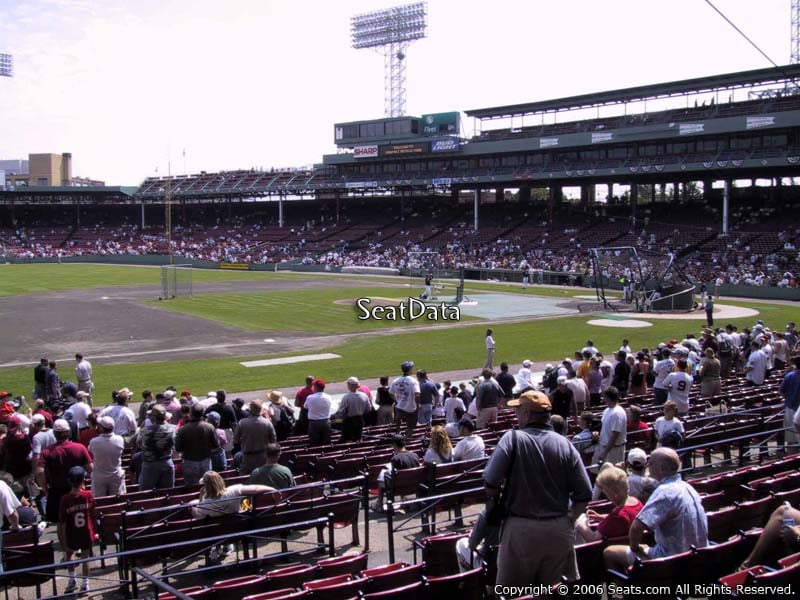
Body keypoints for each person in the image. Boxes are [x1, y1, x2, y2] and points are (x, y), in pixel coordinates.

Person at [484, 391, 592, 587]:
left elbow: (491, 481)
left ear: (527, 414)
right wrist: (569, 518)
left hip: (521, 529)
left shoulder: (512, 438)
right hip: (558, 528)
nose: (516, 414)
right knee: (549, 591)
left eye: (518, 410)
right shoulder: (565, 444)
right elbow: (584, 493)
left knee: (515, 592)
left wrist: (495, 498)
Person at [604, 448, 708, 571]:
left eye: (651, 463)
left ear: (662, 469)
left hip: (673, 560)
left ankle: (629, 589)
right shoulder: (688, 487)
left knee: (609, 552)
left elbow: (637, 528)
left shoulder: (664, 492)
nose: (648, 465)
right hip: (699, 555)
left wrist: (635, 549)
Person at [575, 464, 643, 543]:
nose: (606, 496)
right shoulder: (637, 503)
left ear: (614, 493)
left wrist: (579, 523)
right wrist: (600, 517)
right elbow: (625, 520)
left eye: (606, 492)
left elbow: (593, 538)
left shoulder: (618, 516)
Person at [42, 419, 93, 523]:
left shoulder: (47, 451)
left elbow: (39, 472)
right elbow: (91, 468)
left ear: (54, 433)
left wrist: (45, 489)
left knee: (61, 523)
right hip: (77, 490)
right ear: (68, 432)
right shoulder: (80, 448)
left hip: (56, 491)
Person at [58, 466, 95, 595]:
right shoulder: (88, 495)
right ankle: (85, 585)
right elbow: (92, 512)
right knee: (85, 558)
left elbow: (62, 522)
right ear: (83, 480)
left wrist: (62, 539)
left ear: (69, 481)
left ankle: (72, 580)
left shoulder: (65, 499)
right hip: (86, 531)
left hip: (71, 532)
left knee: (69, 554)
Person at [371, 435, 420, 512]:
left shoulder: (395, 459)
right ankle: (403, 500)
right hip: (414, 486)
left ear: (394, 445)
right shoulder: (415, 455)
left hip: (399, 488)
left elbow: (394, 477)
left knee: (381, 479)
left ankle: (379, 504)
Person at [175, 405, 219, 485]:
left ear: (191, 414)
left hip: (190, 462)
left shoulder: (183, 429)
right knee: (207, 485)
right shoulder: (209, 427)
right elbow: (216, 445)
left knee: (192, 487)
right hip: (206, 461)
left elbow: (178, 448)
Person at [234, 399, 277, 475]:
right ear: (260, 409)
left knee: (245, 480)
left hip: (248, 458)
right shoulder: (267, 423)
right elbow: (273, 441)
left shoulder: (242, 423)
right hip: (263, 457)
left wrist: (245, 441)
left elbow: (235, 441)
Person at [138, 405, 175, 490]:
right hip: (166, 462)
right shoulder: (172, 429)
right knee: (167, 492)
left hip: (149, 464)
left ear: (154, 417)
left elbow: (139, 443)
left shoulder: (145, 430)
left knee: (145, 493)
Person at [87, 416, 126, 498]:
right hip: (115, 476)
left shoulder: (94, 441)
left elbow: (90, 450)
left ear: (101, 428)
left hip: (100, 477)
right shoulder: (119, 439)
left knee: (100, 503)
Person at [455, 506, 501, 571]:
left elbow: (472, 545)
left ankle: (465, 579)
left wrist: (472, 535)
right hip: (509, 560)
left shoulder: (486, 513)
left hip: (489, 564)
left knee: (460, 543)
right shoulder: (513, 513)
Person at [593, 386, 627, 467]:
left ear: (607, 397)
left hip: (614, 451)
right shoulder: (607, 410)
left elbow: (615, 435)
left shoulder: (617, 413)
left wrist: (605, 452)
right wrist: (597, 434)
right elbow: (603, 428)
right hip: (604, 447)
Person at [390, 361, 420, 439]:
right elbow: (417, 394)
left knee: (398, 421)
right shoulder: (413, 381)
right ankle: (408, 438)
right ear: (409, 370)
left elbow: (390, 392)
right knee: (410, 425)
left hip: (400, 406)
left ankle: (398, 433)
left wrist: (396, 400)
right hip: (411, 408)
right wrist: (417, 405)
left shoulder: (396, 380)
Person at [337, 377, 372, 441]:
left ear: (351, 385)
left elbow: (342, 411)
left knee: (347, 439)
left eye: (348, 384)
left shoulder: (346, 397)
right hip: (360, 420)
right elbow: (368, 409)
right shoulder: (364, 395)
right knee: (358, 439)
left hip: (349, 421)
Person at [304, 380, 332, 447]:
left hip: (314, 423)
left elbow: (305, 407)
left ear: (316, 387)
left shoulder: (310, 397)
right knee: (326, 443)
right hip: (326, 422)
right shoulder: (328, 397)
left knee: (314, 444)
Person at [782, 356, 800, 451]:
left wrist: (788, 398)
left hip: (791, 409)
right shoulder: (790, 375)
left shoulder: (789, 376)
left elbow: (781, 391)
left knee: (791, 439)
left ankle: (791, 461)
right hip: (795, 408)